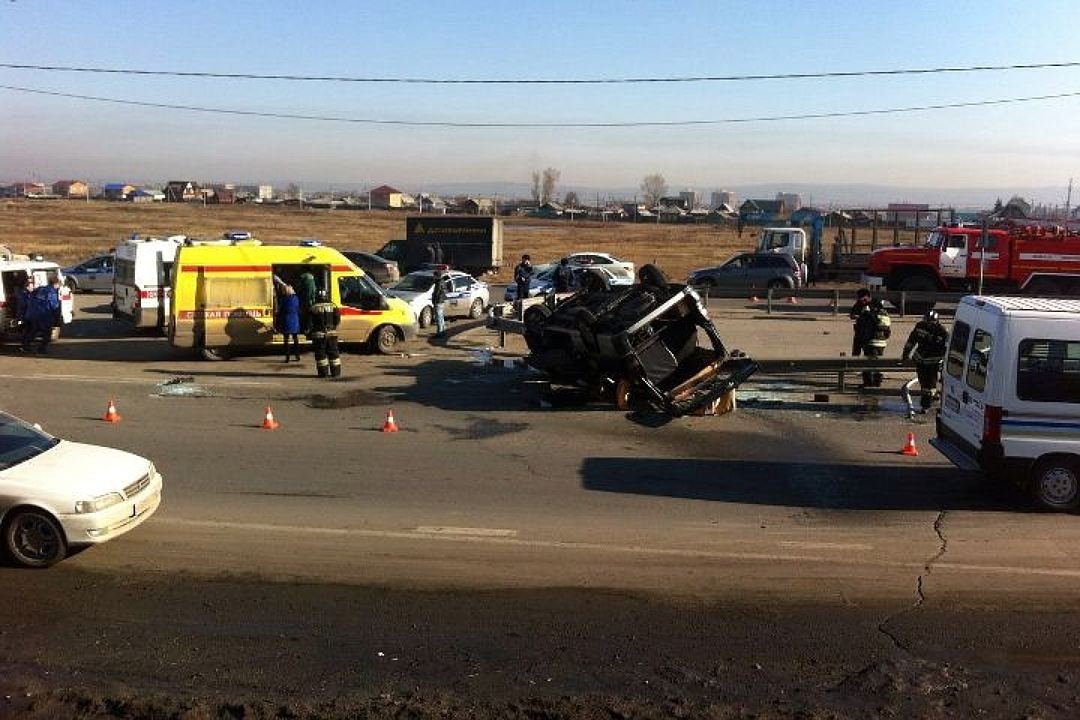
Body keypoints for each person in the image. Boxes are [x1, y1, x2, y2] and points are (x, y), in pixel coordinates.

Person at [902, 308, 949, 412]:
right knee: (923, 382)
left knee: (929, 385)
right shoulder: (920, 326)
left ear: (936, 321)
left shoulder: (943, 332)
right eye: (927, 321)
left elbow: (946, 349)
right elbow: (911, 341)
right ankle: (932, 396)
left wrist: (944, 364)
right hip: (920, 360)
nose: (929, 324)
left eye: (931, 322)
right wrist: (905, 354)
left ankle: (925, 405)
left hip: (933, 363)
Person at [854, 297, 891, 388]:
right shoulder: (885, 315)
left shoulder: (868, 314)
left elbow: (861, 328)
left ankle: (868, 382)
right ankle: (877, 381)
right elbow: (888, 331)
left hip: (870, 342)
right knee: (878, 362)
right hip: (882, 343)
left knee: (867, 362)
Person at [308, 289, 341, 378]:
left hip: (319, 335)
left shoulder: (313, 307)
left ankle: (323, 373)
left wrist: (308, 331)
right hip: (332, 334)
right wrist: (333, 327)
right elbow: (337, 320)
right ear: (326, 295)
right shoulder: (333, 305)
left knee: (321, 353)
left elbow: (310, 323)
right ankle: (336, 372)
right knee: (334, 353)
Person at [22, 279, 60, 353]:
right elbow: (54, 306)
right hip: (44, 315)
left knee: (33, 330)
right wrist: (57, 317)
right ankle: (42, 348)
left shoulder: (40, 289)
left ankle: (25, 346)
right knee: (47, 333)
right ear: (55, 284)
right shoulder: (52, 293)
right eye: (59, 284)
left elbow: (30, 297)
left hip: (32, 313)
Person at [276, 284, 302, 362]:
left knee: (286, 340)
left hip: (286, 320)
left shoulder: (283, 299)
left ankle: (287, 357)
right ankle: (297, 356)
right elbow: (298, 309)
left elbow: (280, 310)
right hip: (295, 320)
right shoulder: (296, 298)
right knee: (295, 339)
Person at [848, 288, 872, 357]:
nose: (861, 300)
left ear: (868, 296)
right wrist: (856, 316)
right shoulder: (858, 304)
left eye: (863, 298)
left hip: (870, 333)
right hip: (859, 331)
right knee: (855, 352)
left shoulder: (875, 304)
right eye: (859, 298)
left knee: (868, 353)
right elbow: (852, 314)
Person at [431, 268, 448, 338]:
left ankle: (439, 333)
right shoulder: (443, 281)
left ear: (437, 276)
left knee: (438, 318)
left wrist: (433, 299)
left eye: (434, 276)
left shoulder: (438, 283)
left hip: (438, 302)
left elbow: (436, 293)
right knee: (441, 317)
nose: (433, 277)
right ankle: (443, 331)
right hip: (441, 301)